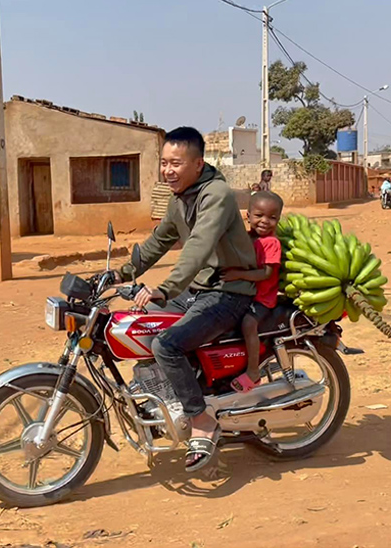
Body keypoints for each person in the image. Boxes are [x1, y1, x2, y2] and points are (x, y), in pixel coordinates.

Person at [115, 126, 257, 472]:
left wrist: (167, 287)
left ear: (198, 163)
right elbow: (159, 240)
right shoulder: (179, 200)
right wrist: (120, 272)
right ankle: (158, 392)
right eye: (164, 163)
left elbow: (198, 247)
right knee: (140, 323)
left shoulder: (216, 195)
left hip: (228, 292)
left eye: (176, 163)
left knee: (166, 344)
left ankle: (201, 420)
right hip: (199, 290)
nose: (168, 170)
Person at [222, 191, 284, 392]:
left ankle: (253, 372)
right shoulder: (246, 238)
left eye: (272, 217)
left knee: (249, 324)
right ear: (247, 216)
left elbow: (265, 274)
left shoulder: (271, 243)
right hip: (246, 294)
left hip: (262, 298)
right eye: (259, 215)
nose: (265, 221)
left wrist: (238, 275)